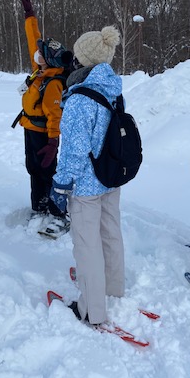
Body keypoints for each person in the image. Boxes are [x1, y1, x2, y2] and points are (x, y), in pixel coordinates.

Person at [50, 25, 125, 325]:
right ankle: (113, 287)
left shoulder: (80, 97)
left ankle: (92, 310)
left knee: (87, 244)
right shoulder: (114, 87)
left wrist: (61, 183)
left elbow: (74, 148)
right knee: (110, 232)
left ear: (82, 59)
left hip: (86, 183)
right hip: (110, 175)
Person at [14, 0, 73, 230]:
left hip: (44, 136)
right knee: (33, 169)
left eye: (41, 53)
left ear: (49, 59)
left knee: (46, 171)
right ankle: (39, 206)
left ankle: (57, 211)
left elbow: (55, 115)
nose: (36, 53)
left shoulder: (53, 83)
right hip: (30, 129)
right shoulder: (41, 70)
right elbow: (33, 39)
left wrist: (53, 143)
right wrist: (30, 15)